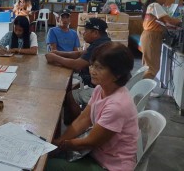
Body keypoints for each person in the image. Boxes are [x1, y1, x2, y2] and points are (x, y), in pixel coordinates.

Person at [47, 42, 138, 171]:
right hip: (97, 154)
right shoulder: (100, 89)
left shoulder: (117, 106)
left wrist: (61, 144)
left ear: (117, 74)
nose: (92, 71)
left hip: (110, 165)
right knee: (49, 156)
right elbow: (83, 120)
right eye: (92, 66)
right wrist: (60, 140)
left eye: (99, 68)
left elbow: (90, 141)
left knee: (46, 165)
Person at [45, 17, 111, 124]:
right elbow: (80, 54)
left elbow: (77, 65)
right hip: (100, 84)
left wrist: (55, 58)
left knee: (69, 96)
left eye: (85, 31)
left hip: (101, 89)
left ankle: (79, 124)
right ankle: (71, 122)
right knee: (69, 88)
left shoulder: (99, 46)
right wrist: (57, 53)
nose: (83, 33)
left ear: (95, 33)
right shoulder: (102, 42)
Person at [141, 0, 181, 79]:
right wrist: (180, 22)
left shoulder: (151, 5)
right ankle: (145, 92)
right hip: (152, 36)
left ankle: (143, 91)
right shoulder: (155, 5)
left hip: (148, 36)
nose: (166, 0)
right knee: (152, 68)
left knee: (147, 66)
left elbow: (163, 22)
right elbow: (168, 20)